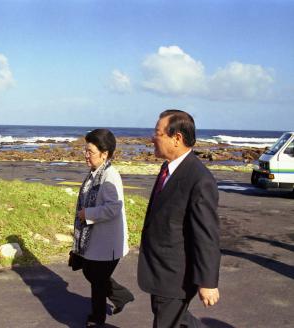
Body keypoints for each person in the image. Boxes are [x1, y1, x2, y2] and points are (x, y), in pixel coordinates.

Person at [137, 110, 221, 328]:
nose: (152, 138)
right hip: (159, 269)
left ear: (177, 139)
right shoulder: (168, 168)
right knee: (180, 320)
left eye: (158, 133)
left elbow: (206, 234)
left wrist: (208, 281)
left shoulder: (199, 179)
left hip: (176, 275)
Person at [72, 128, 134, 327]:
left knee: (97, 280)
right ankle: (121, 295)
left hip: (108, 242)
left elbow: (114, 208)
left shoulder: (110, 176)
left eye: (90, 151)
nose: (86, 155)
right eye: (85, 150)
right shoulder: (95, 172)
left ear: (104, 153)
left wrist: (87, 214)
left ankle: (97, 319)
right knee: (90, 272)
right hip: (96, 240)